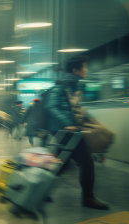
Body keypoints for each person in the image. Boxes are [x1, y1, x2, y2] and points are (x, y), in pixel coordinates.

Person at [45, 56, 109, 210]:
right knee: (86, 162)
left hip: (67, 130)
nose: (86, 70)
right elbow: (51, 106)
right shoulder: (61, 87)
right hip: (64, 131)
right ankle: (88, 198)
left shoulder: (74, 87)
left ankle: (41, 189)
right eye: (84, 67)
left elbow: (76, 110)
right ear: (75, 70)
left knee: (62, 163)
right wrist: (69, 125)